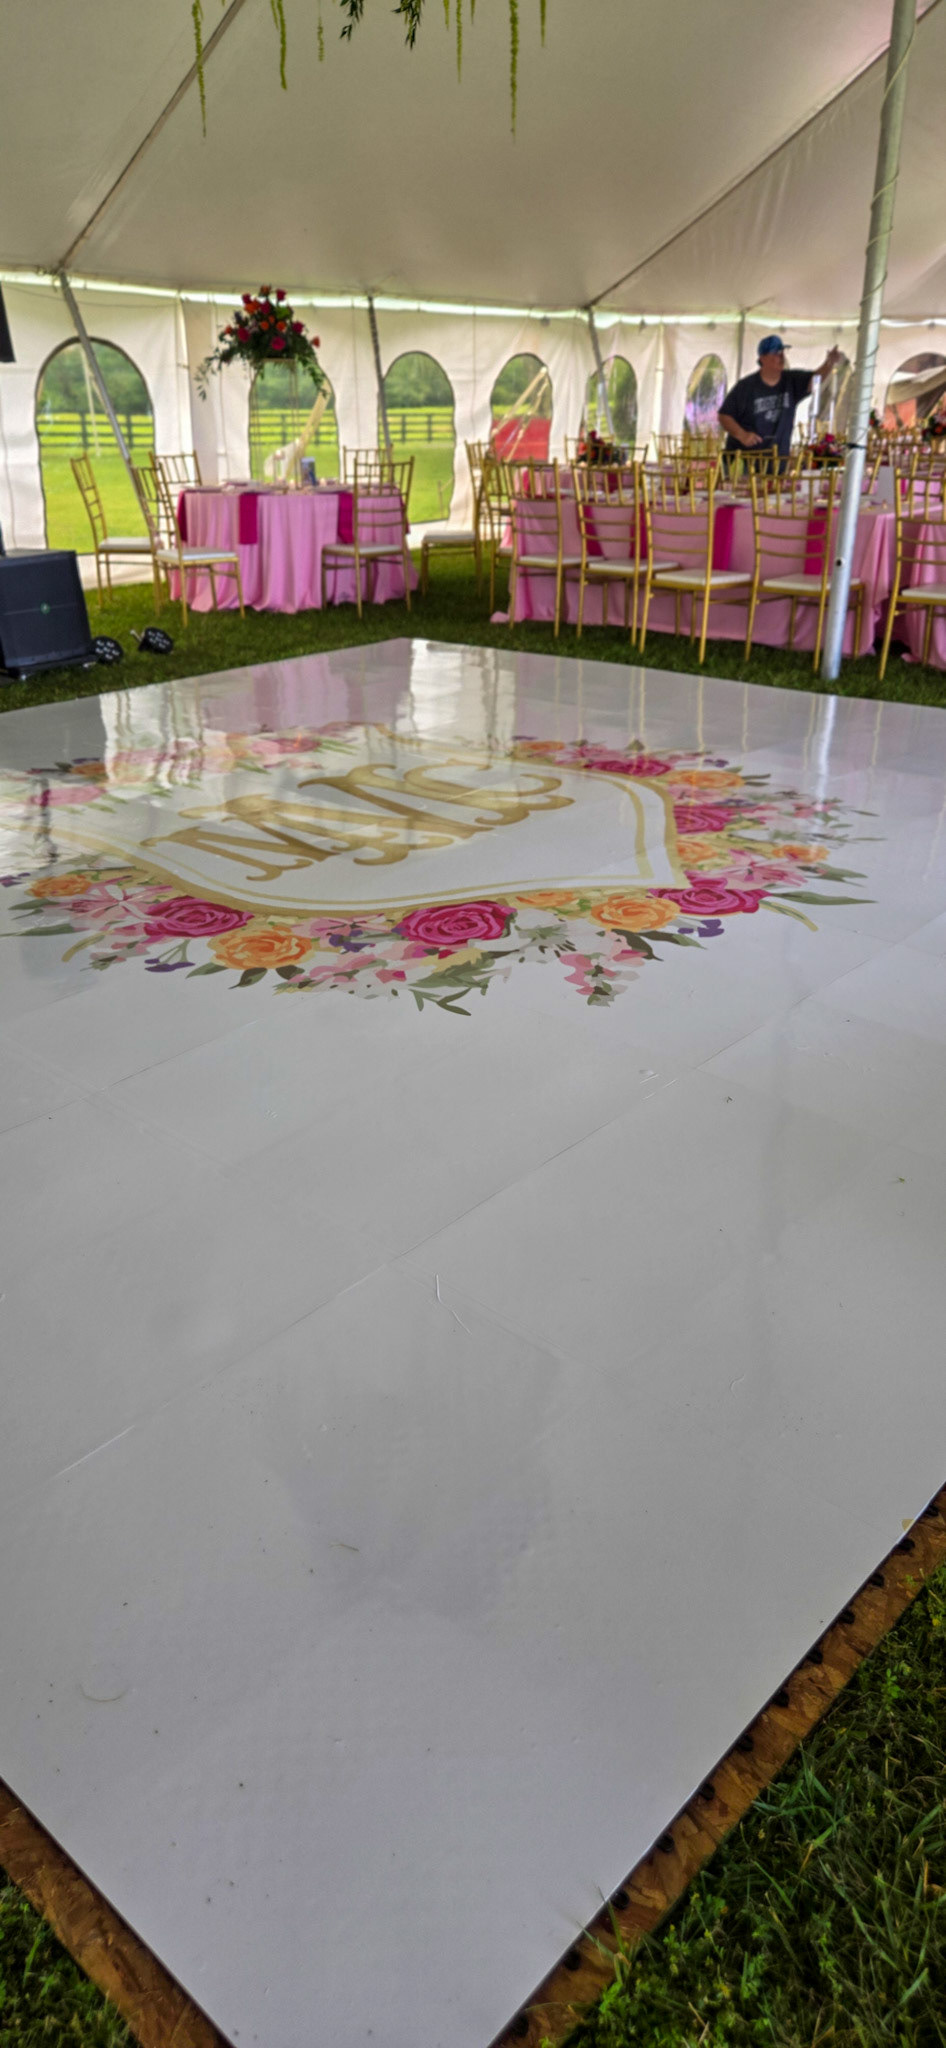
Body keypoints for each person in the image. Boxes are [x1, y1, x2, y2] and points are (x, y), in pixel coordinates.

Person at [718, 336, 842, 465]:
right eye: (776, 353)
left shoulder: (791, 380)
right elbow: (724, 415)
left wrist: (829, 363)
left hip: (777, 462)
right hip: (744, 463)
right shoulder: (746, 387)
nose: (782, 356)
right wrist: (742, 435)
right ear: (762, 358)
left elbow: (814, 380)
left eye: (783, 352)